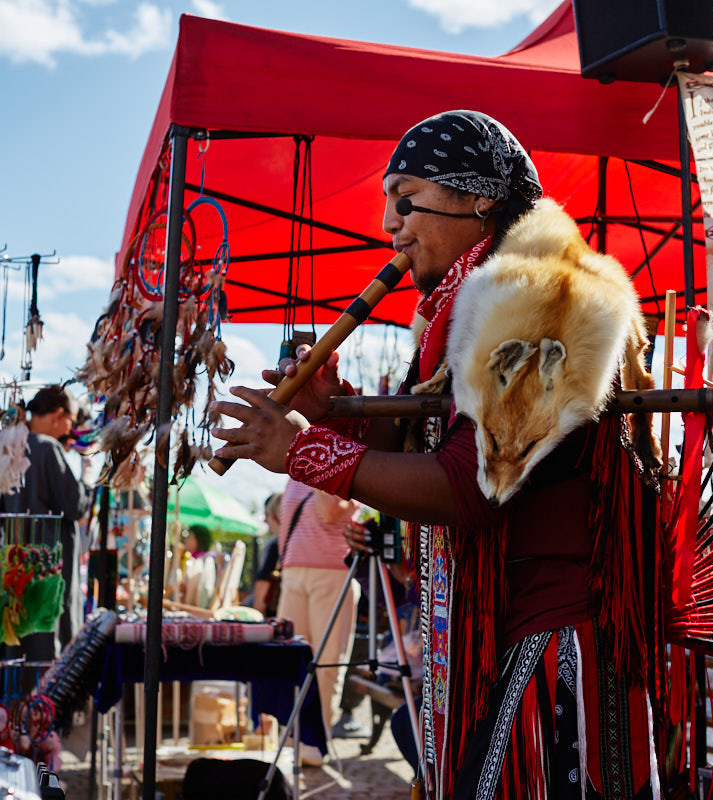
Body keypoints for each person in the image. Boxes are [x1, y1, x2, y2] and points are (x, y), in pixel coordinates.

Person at [211, 111, 659, 798]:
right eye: (388, 201)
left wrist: (301, 451)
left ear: (478, 198)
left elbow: (469, 487)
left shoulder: (542, 297)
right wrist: (340, 414)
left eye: (407, 196)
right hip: (508, 626)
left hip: (560, 638)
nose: (391, 222)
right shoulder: (465, 306)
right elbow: (434, 445)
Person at [1, 385, 94, 661]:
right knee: (50, 660)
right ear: (58, 415)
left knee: (19, 654)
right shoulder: (46, 447)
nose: (71, 429)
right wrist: (88, 475)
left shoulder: (8, 445)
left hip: (14, 569)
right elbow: (75, 505)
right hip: (48, 569)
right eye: (71, 421)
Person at [274, 480, 362, 766]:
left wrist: (320, 468)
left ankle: (315, 739)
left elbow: (331, 511)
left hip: (333, 573)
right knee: (290, 660)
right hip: (294, 572)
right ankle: (290, 737)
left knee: (326, 662)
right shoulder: (293, 474)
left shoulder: (339, 464)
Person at [251, 491, 283, 617]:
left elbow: (261, 596)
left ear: (276, 516)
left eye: (267, 514)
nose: (265, 520)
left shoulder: (275, 546)